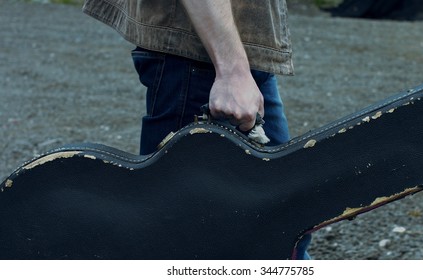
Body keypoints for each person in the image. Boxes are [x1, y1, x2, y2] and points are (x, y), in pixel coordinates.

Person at [82, 0, 311, 260]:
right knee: (192, 241)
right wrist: (231, 72)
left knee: (283, 227)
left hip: (232, 56)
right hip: (205, 59)